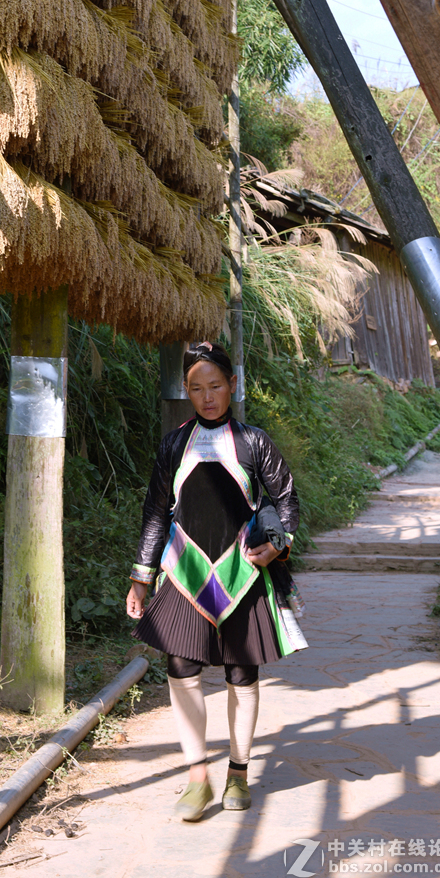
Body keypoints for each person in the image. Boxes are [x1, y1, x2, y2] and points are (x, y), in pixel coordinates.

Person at [126, 341, 306, 820]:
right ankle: (196, 779)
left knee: (241, 675)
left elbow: (286, 500)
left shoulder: (254, 443)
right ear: (187, 391)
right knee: (180, 670)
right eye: (196, 388)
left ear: (231, 386)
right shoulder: (173, 445)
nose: (207, 396)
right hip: (184, 573)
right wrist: (141, 578)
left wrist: (277, 543)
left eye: (216, 386)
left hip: (243, 573)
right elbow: (154, 514)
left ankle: (239, 774)